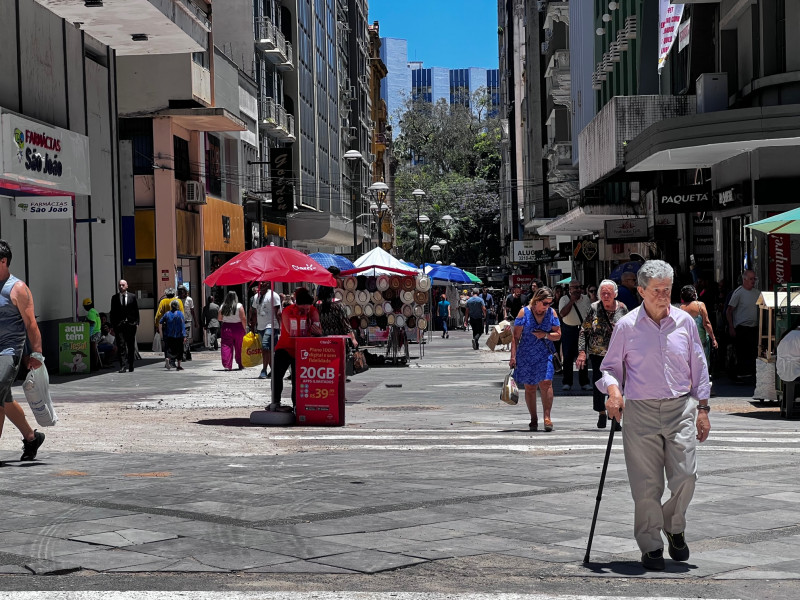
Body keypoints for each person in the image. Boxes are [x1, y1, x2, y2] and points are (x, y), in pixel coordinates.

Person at [598, 260, 710, 571]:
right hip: (640, 411)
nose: (663, 295)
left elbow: (699, 367)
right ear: (642, 291)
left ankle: (673, 525)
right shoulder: (626, 326)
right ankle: (650, 545)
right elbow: (609, 368)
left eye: (668, 290)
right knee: (646, 484)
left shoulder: (685, 323)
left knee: (687, 475)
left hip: (680, 408)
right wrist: (614, 392)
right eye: (657, 290)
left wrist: (702, 408)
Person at [0, 239, 46, 461]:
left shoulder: (18, 288)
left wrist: (36, 354)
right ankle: (31, 438)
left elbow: (31, 325)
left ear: (3, 261)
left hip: (8, 351)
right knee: (5, 399)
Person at [576, 279, 628, 429]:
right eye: (603, 293)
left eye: (609, 293)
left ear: (615, 294)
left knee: (618, 384)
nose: (605, 295)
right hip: (597, 353)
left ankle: (616, 416)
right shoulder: (594, 308)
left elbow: (630, 329)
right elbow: (584, 331)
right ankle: (601, 412)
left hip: (618, 353)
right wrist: (581, 352)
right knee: (599, 383)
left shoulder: (623, 308)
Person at [509, 287, 561, 432]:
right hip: (526, 354)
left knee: (546, 383)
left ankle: (547, 417)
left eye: (550, 303)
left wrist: (545, 335)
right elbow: (516, 337)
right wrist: (513, 356)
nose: (547, 306)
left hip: (545, 354)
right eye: (545, 303)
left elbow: (558, 334)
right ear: (536, 300)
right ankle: (533, 418)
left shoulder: (551, 313)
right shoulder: (523, 312)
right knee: (530, 387)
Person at [270, 287, 322, 410]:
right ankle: (276, 401)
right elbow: (291, 331)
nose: (305, 311)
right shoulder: (288, 311)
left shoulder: (313, 311)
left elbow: (318, 328)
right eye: (302, 309)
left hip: (301, 349)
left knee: (298, 380)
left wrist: (317, 331)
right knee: (277, 376)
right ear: (296, 304)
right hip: (285, 347)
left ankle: (296, 405)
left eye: (307, 309)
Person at [726, 270, 760, 382]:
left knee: (753, 352)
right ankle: (740, 374)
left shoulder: (757, 292)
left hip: (754, 327)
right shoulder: (738, 292)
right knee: (742, 352)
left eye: (754, 279)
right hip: (741, 327)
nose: (753, 281)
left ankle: (750, 374)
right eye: (751, 279)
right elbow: (729, 310)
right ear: (744, 279)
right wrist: (731, 327)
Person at [558, 280, 592, 392]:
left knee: (583, 356)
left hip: (582, 330)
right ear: (570, 289)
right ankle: (567, 382)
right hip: (569, 330)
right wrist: (571, 301)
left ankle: (584, 382)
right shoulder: (564, 299)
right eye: (575, 287)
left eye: (579, 287)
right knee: (567, 357)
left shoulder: (586, 299)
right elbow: (562, 314)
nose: (577, 290)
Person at [680, 284, 718, 369]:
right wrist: (713, 339)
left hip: (686, 343)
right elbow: (706, 323)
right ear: (694, 294)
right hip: (701, 343)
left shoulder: (680, 308)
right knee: (702, 364)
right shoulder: (700, 305)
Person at [249, 282, 282, 379]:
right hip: (261, 326)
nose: (262, 284)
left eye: (264, 282)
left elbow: (278, 312)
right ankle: (274, 370)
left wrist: (281, 327)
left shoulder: (273, 295)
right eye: (260, 282)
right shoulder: (256, 297)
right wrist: (252, 326)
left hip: (271, 325)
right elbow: (254, 312)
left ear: (268, 284)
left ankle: (263, 370)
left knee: (265, 346)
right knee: (269, 349)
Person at [110, 279, 140, 373]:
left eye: (123, 285)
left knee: (130, 346)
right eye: (119, 285)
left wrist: (136, 322)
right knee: (121, 345)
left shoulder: (132, 296)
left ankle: (131, 364)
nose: (121, 287)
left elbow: (136, 310)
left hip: (130, 325)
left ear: (127, 286)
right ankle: (123, 366)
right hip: (119, 325)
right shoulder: (114, 298)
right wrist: (113, 325)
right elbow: (113, 312)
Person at [219, 291, 247, 371]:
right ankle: (241, 364)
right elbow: (243, 318)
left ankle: (227, 365)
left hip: (226, 327)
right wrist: (244, 328)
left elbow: (219, 318)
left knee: (226, 346)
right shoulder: (239, 306)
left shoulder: (223, 306)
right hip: (238, 327)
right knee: (240, 346)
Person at [159, 300, 186, 371]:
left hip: (169, 334)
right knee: (180, 350)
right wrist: (184, 335)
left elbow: (161, 321)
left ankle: (168, 358)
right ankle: (179, 365)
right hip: (179, 335)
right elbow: (182, 325)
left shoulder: (167, 313)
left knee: (170, 349)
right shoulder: (180, 314)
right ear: (177, 306)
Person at [82, 297, 102, 370]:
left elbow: (92, 323)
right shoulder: (95, 311)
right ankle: (95, 365)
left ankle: (94, 366)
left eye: (84, 306)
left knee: (93, 350)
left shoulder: (90, 312)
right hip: (98, 332)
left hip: (94, 333)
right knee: (93, 349)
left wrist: (85, 322)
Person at [177, 285, 195, 361]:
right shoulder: (176, 299)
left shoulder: (189, 300)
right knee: (181, 338)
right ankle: (188, 354)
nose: (181, 293)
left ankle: (183, 355)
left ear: (185, 292)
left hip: (187, 321)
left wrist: (196, 321)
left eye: (182, 291)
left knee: (186, 338)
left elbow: (192, 311)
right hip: (178, 322)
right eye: (179, 291)